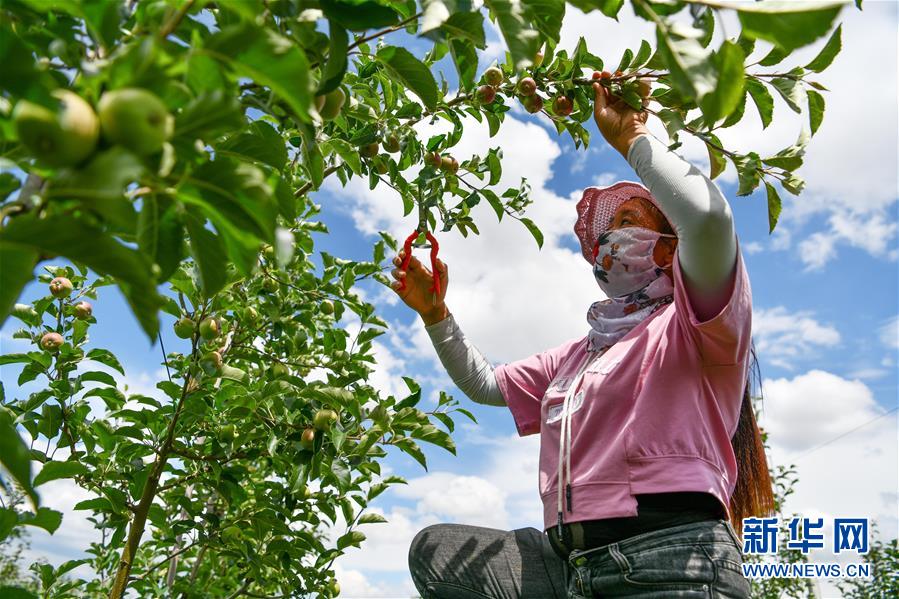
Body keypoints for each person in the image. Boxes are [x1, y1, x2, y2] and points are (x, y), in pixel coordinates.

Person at [391, 73, 774, 598]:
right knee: (438, 552)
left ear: (667, 247)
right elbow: (485, 384)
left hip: (673, 555)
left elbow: (707, 219)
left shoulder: (699, 324)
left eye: (628, 219)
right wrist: (436, 314)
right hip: (570, 565)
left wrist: (634, 139)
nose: (609, 239)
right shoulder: (577, 358)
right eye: (605, 230)